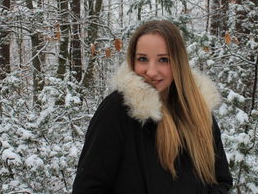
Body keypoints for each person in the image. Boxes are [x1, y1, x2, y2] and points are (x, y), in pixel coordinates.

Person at [72, 20, 232, 194]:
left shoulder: (198, 110)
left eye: (163, 59)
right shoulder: (117, 110)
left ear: (178, 63)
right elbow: (88, 187)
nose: (151, 71)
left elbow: (220, 181)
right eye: (143, 59)